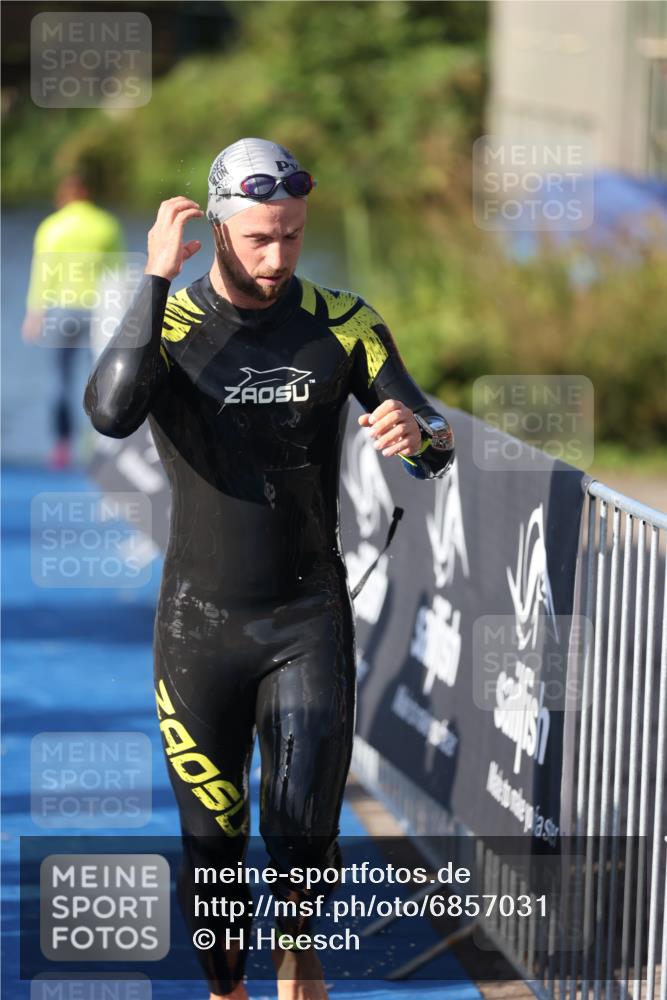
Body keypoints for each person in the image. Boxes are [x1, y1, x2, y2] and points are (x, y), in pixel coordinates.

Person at [84, 138, 455, 1000]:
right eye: (257, 238)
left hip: (305, 619)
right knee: (212, 849)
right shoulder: (170, 325)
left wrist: (418, 435)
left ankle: (297, 946)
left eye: (290, 235)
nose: (277, 257)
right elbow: (108, 413)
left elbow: (433, 444)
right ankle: (228, 991)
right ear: (214, 228)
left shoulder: (342, 320)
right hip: (199, 628)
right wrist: (150, 277)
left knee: (303, 829)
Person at [22, 171, 124, 468]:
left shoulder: (52, 227)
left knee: (59, 380)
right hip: (100, 310)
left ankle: (62, 446)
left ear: (63, 197)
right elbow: (118, 273)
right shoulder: (105, 224)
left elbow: (43, 274)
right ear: (87, 194)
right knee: (104, 379)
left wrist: (34, 313)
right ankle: (101, 440)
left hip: (61, 311)